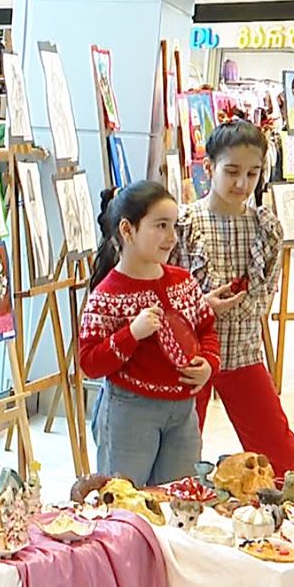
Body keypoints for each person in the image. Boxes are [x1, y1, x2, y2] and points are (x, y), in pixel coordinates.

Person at [173, 120, 294, 500]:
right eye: (231, 171)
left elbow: (263, 298)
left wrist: (222, 308)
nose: (242, 183)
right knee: (178, 450)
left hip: (243, 352)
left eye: (252, 173)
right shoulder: (183, 224)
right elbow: (166, 293)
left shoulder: (265, 228)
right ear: (208, 167)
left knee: (278, 446)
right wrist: (202, 307)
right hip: (190, 356)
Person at [79, 181, 218, 486]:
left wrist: (209, 363)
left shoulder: (183, 282)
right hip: (130, 411)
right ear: (127, 230)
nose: (172, 237)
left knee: (179, 494)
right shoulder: (106, 296)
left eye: (173, 226)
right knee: (123, 497)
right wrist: (132, 334)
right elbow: (89, 362)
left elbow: (206, 327)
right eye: (160, 226)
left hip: (183, 413)